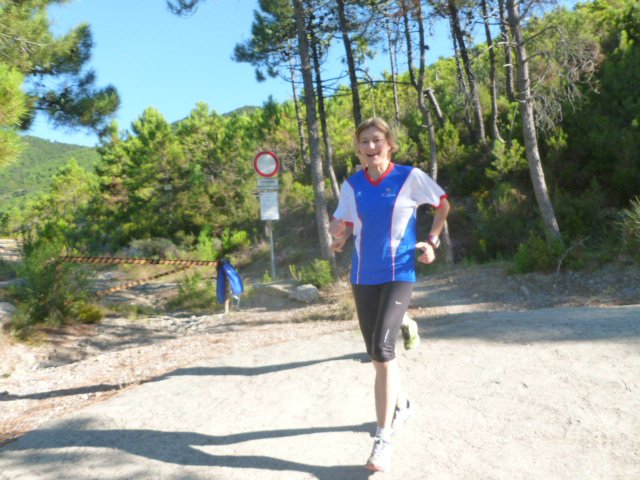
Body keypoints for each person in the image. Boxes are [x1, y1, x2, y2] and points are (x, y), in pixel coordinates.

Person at [329, 117, 450, 472]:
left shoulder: (409, 177)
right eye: (364, 142)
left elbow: (443, 204)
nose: (371, 147)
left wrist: (432, 240)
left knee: (383, 350)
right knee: (376, 354)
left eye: (377, 140)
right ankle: (402, 404)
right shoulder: (352, 185)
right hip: (362, 275)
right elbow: (344, 225)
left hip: (399, 272)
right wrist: (338, 235)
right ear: (357, 149)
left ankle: (383, 440)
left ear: (389, 144)